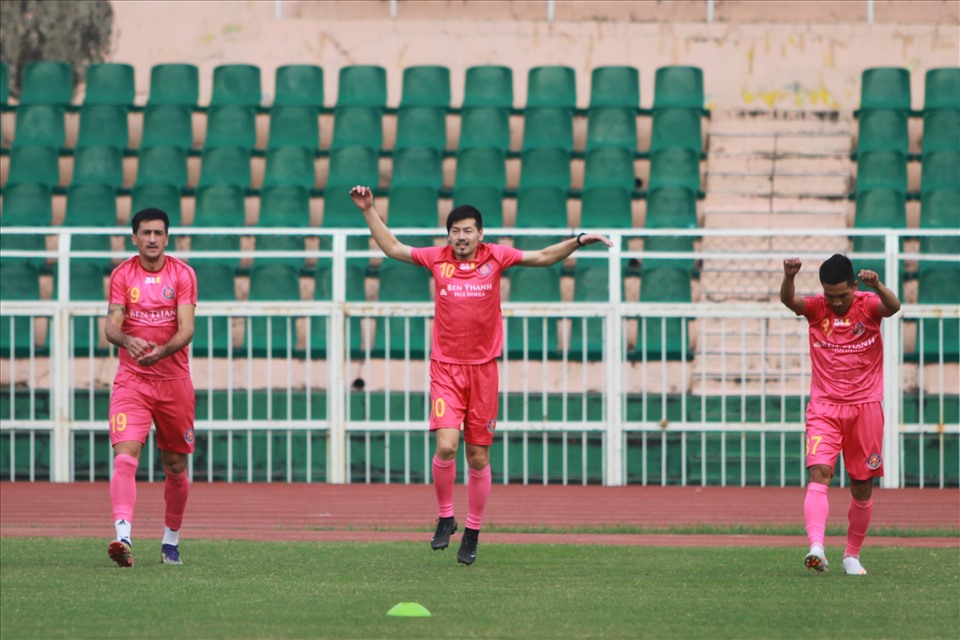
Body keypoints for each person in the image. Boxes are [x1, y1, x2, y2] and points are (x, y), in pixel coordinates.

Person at [349, 185, 613, 565]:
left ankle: (472, 531)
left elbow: (541, 257)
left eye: (468, 230)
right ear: (448, 236)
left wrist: (577, 241)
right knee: (445, 446)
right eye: (455, 231)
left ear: (480, 234)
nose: (461, 237)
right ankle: (445, 519)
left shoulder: (497, 258)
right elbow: (393, 248)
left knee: (477, 458)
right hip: (446, 369)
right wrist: (368, 209)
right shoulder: (436, 259)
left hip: (484, 372)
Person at [780, 253, 901, 576]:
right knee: (819, 472)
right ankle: (816, 547)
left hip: (865, 407)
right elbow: (790, 300)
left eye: (842, 295)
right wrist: (790, 276)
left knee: (862, 485)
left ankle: (852, 555)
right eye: (830, 295)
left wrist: (879, 286)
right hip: (824, 407)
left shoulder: (869, 305)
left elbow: (894, 307)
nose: (835, 302)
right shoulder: (817, 308)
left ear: (855, 285)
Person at [104, 208, 198, 567]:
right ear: (134, 238)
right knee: (125, 456)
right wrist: (128, 341)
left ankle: (170, 541)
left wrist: (162, 351)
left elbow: (187, 329)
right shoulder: (122, 274)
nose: (153, 239)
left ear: (167, 237)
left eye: (158, 233)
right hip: (133, 381)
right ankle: (123, 537)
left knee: (175, 466)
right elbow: (111, 325)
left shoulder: (183, 274)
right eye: (146, 233)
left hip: (174, 382)